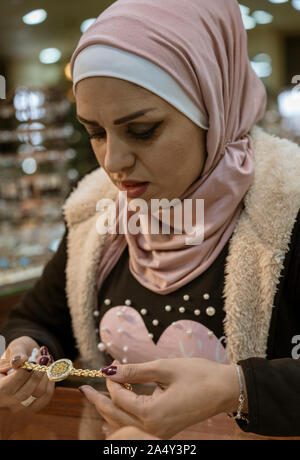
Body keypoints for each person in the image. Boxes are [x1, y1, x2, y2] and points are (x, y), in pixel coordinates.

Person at [1, 0, 300, 438]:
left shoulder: (288, 206)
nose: (113, 163)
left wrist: (239, 389)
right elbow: (39, 319)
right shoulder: (97, 214)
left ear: (212, 109)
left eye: (143, 130)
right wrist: (25, 353)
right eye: (96, 133)